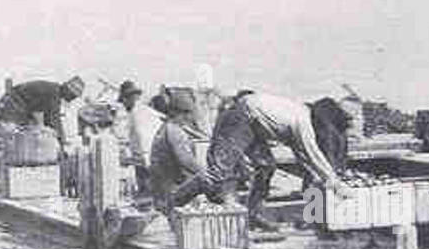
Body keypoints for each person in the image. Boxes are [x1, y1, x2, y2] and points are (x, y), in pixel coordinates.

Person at [170, 90, 348, 231]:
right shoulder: (303, 122)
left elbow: (304, 158)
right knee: (218, 172)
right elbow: (313, 155)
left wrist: (321, 178)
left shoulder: (300, 115)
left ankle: (253, 215)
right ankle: (174, 201)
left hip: (254, 124)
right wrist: (334, 182)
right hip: (240, 117)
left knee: (266, 166)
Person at [149, 97, 209, 216]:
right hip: (170, 187)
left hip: (161, 186)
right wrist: (205, 173)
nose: (189, 118)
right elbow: (186, 160)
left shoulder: (165, 128)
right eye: (187, 114)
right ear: (179, 113)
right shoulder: (174, 131)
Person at [114, 80, 164, 206]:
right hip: (143, 161)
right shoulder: (138, 112)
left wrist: (144, 162)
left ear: (132, 98)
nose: (124, 103)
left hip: (148, 162)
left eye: (125, 99)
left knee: (149, 196)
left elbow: (144, 140)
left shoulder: (139, 114)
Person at [0, 76, 85, 144]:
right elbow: (54, 119)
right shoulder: (54, 93)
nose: (72, 99)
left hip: (19, 106)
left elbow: (48, 119)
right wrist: (62, 140)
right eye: (73, 96)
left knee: (31, 131)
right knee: (10, 133)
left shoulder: (53, 91)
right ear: (68, 91)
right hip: (13, 104)